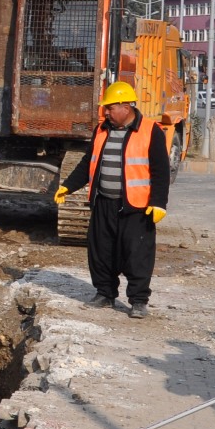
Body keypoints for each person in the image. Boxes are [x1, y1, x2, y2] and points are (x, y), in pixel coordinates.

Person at [54, 81, 172, 318]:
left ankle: (138, 301)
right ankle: (105, 293)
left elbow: (161, 171)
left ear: (126, 106)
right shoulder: (101, 130)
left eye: (110, 107)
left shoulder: (150, 130)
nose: (106, 112)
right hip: (103, 202)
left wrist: (159, 203)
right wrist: (67, 186)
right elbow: (88, 163)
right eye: (105, 108)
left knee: (137, 254)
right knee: (101, 251)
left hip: (136, 207)